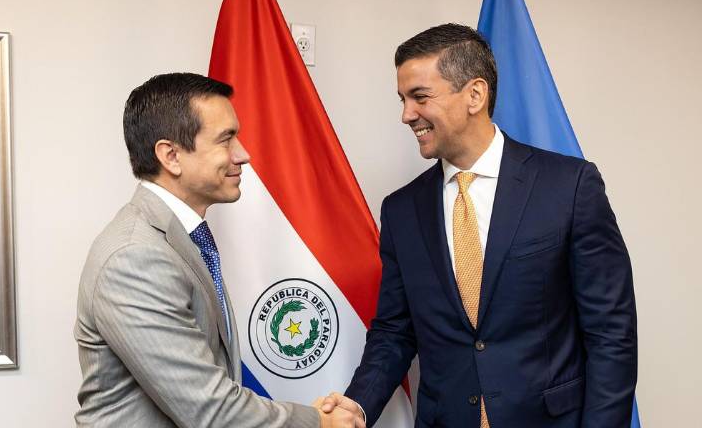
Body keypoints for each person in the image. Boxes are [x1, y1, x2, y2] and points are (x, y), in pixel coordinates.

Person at [322, 24, 637, 427]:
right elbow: (394, 331)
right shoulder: (401, 210)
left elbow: (612, 333)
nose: (406, 115)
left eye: (420, 97)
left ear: (474, 94)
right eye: (402, 99)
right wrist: (358, 405)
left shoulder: (569, 186)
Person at [74, 73, 361, 428]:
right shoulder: (135, 257)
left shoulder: (182, 238)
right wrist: (318, 422)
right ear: (171, 156)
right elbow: (211, 410)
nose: (243, 154)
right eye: (226, 140)